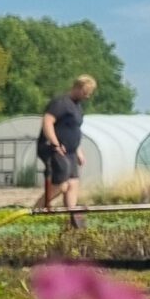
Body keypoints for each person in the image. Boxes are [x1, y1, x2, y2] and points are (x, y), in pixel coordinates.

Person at [36, 75, 98, 225]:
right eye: (85, 92)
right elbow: (48, 121)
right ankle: (38, 208)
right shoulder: (61, 103)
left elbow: (73, 130)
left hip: (70, 151)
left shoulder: (77, 107)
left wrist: (78, 151)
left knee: (73, 183)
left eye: (89, 93)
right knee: (62, 183)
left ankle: (73, 216)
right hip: (52, 148)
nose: (87, 96)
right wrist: (55, 143)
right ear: (77, 88)